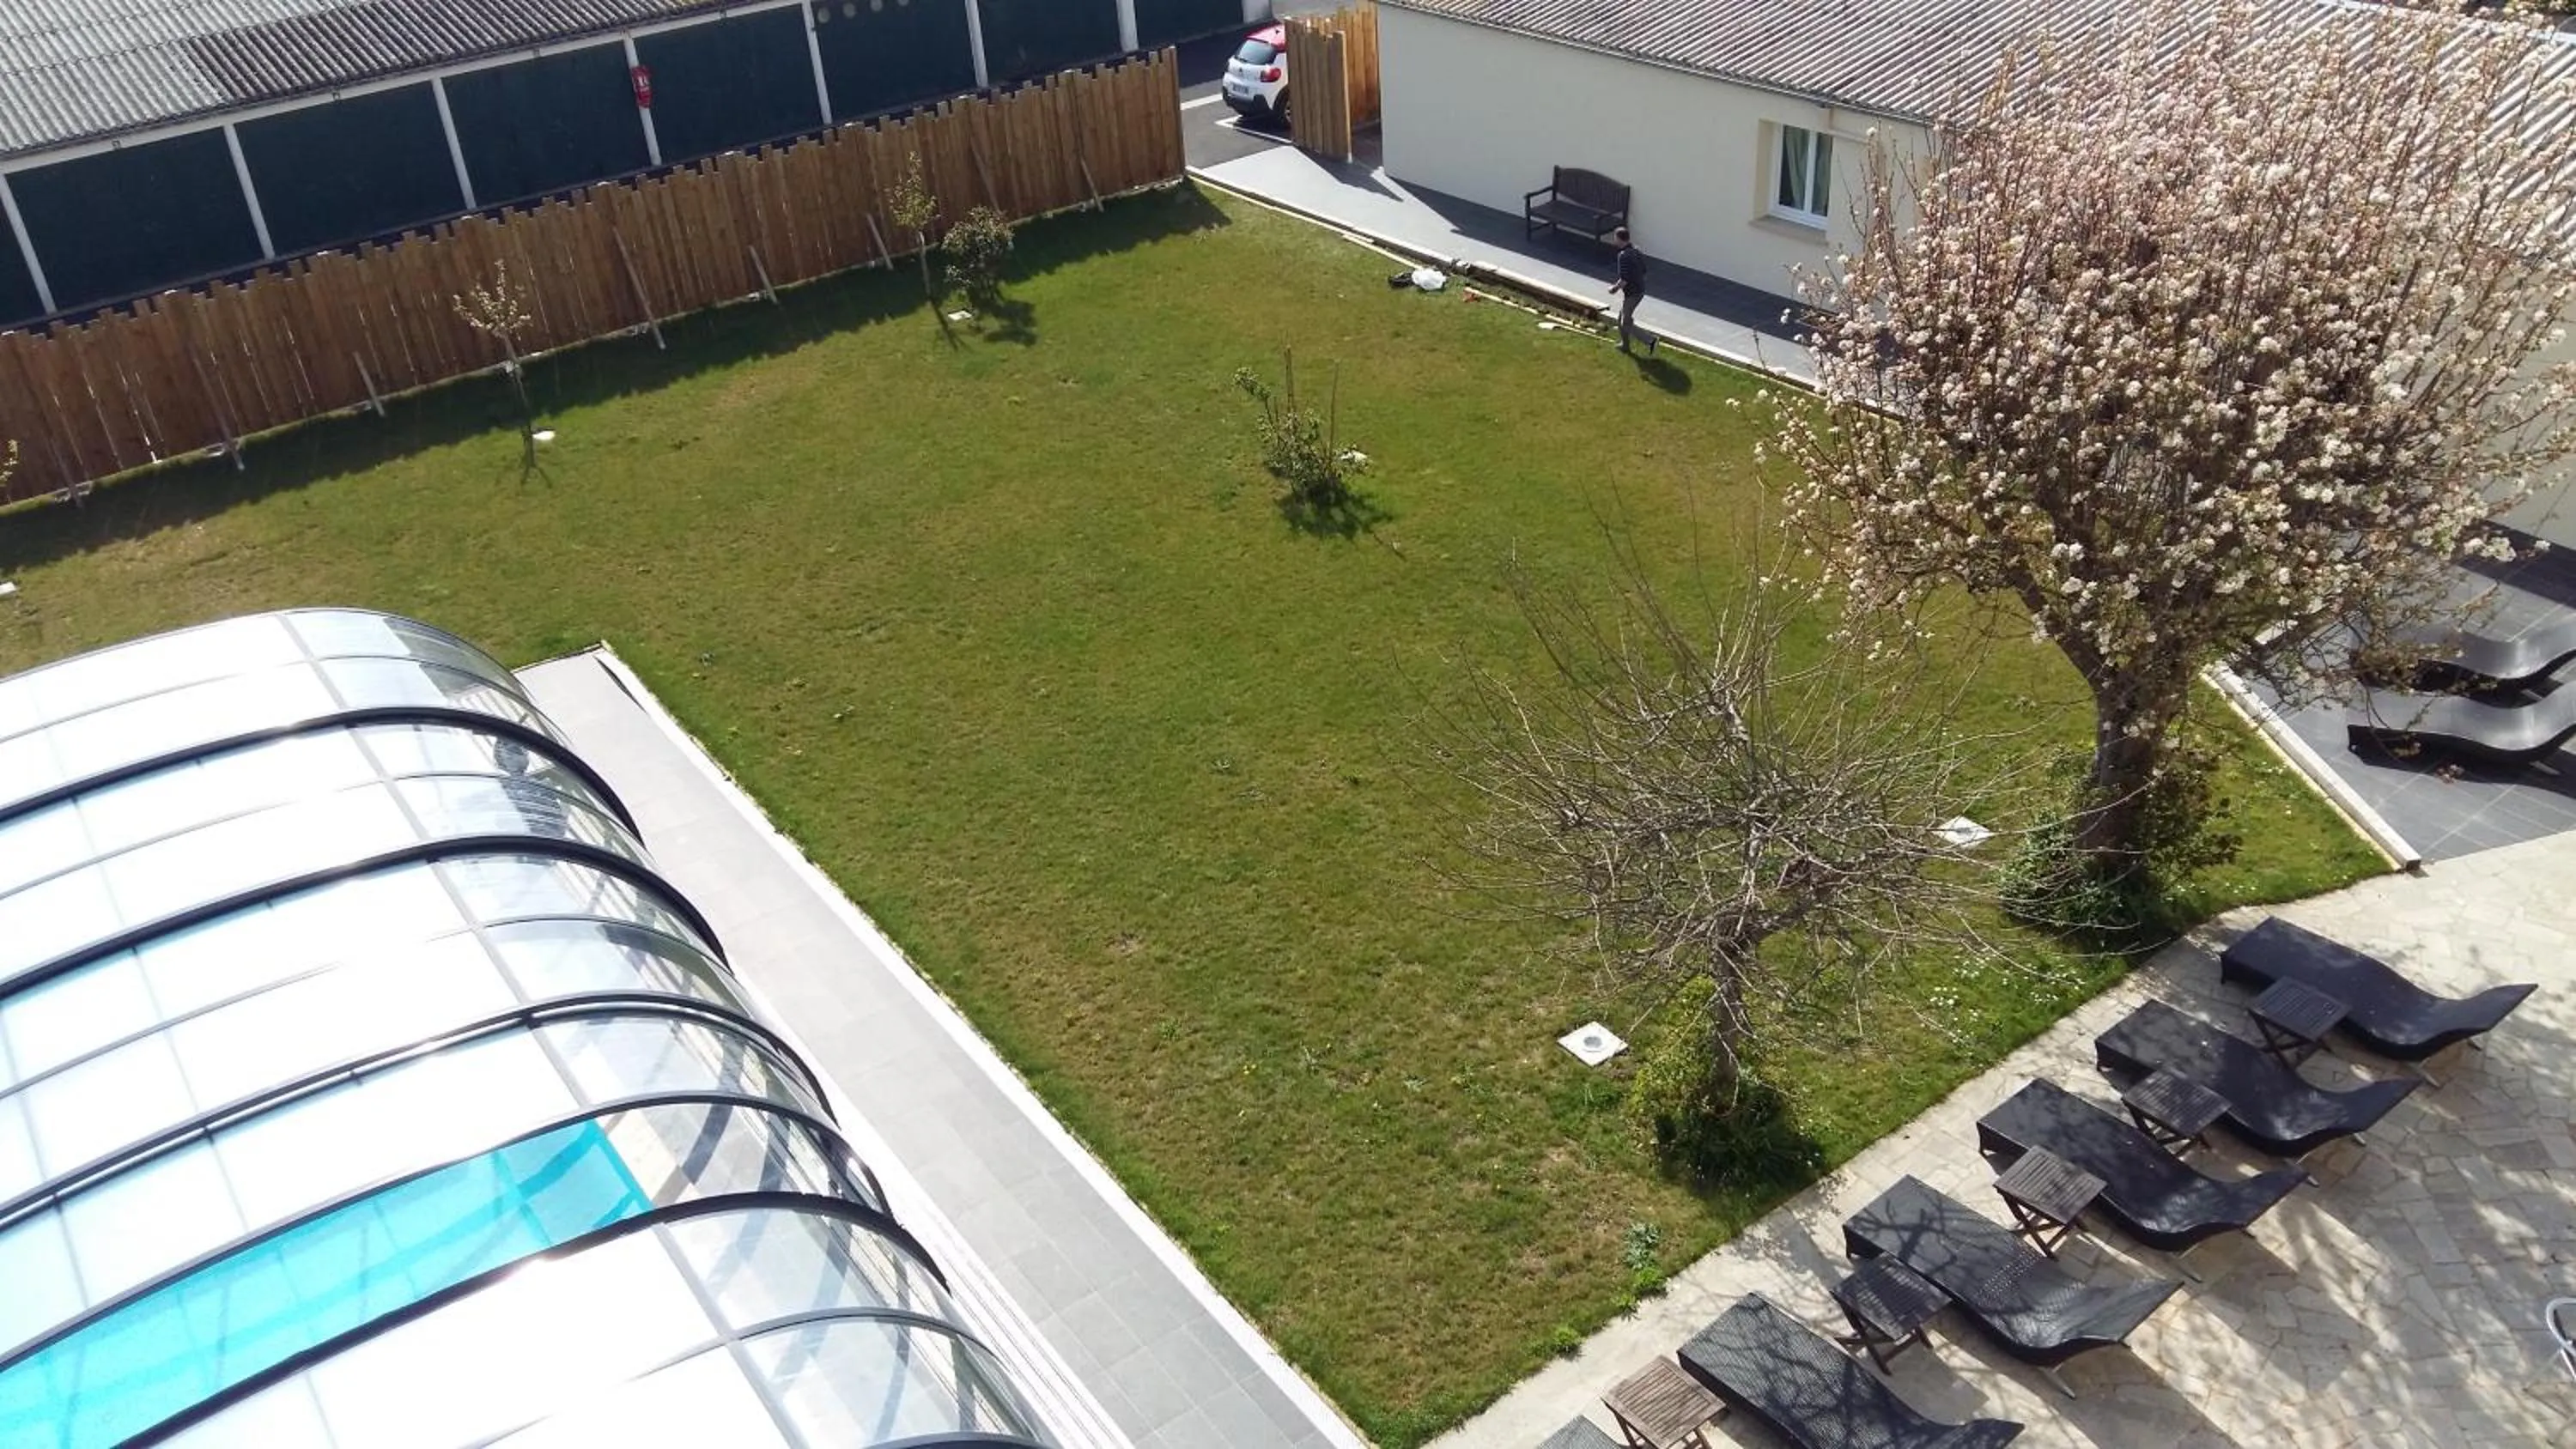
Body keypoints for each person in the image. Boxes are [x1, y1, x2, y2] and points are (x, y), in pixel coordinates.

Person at [1607, 227, 1656, 357]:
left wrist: (1614, 289)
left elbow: (1624, 279)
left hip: (1633, 294)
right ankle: (1625, 345)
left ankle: (1650, 340)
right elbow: (1644, 271)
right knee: (1621, 318)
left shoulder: (1623, 256)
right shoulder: (1636, 251)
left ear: (1619, 239)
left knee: (1625, 322)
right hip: (1639, 290)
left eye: (1615, 238)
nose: (1614, 240)